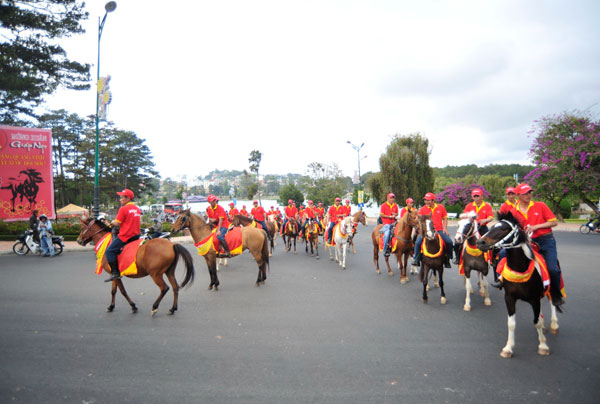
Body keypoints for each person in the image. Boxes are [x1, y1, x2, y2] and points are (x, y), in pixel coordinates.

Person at [510, 183, 564, 308]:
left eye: (530, 192)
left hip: (545, 240)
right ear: (517, 195)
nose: (529, 195)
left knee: (553, 269)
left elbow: (554, 222)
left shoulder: (541, 205)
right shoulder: (513, 211)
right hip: (526, 241)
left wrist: (536, 226)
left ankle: (555, 294)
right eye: (525, 193)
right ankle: (502, 281)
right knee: (502, 254)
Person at [104, 189, 141, 282]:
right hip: (136, 235)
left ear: (128, 198)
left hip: (126, 236)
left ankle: (115, 273)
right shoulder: (137, 209)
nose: (120, 199)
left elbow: (117, 223)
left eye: (121, 197)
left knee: (109, 251)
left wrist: (112, 222)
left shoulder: (123, 209)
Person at [412, 192, 453, 268]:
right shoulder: (422, 209)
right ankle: (416, 259)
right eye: (425, 200)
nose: (426, 202)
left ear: (433, 200)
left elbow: (445, 218)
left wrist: (445, 228)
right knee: (417, 242)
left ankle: (448, 259)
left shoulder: (441, 207)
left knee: (449, 242)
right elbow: (418, 219)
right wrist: (418, 221)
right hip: (427, 231)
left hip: (439, 230)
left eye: (428, 200)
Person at [453, 188, 494, 264]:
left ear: (482, 196)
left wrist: (484, 220)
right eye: (474, 196)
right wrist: (468, 217)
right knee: (457, 243)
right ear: (472, 197)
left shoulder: (487, 206)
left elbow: (491, 217)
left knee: (491, 242)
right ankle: (458, 258)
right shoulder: (469, 205)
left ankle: (492, 259)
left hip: (482, 227)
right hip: (470, 227)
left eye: (477, 196)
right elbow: (465, 216)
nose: (476, 198)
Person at [379, 193, 399, 257]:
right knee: (387, 233)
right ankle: (386, 249)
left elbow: (397, 213)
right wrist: (389, 216)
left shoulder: (395, 205)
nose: (392, 199)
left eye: (393, 198)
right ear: (388, 198)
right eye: (391, 198)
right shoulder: (383, 205)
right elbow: (381, 214)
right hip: (386, 223)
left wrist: (395, 214)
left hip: (394, 222)